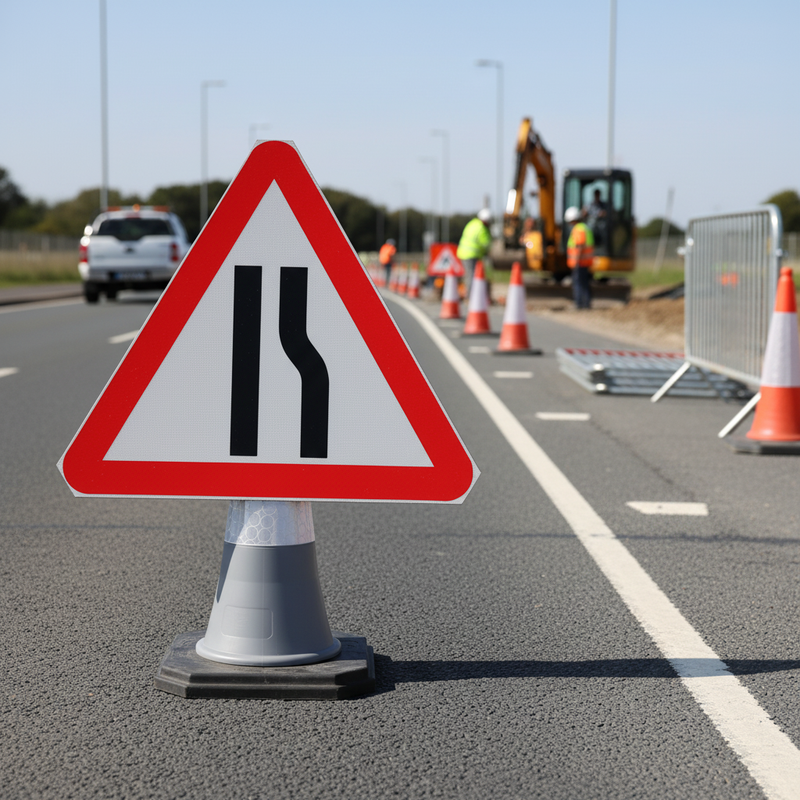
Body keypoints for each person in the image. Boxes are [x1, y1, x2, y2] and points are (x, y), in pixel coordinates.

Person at [564, 206, 594, 309]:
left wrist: (576, 261)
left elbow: (580, 246)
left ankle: (579, 304)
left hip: (580, 262)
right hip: (585, 262)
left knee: (578, 284)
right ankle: (585, 304)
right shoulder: (585, 227)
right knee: (584, 283)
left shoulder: (578, 229)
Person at [457, 208, 493, 292]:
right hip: (471, 255)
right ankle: (470, 296)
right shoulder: (482, 228)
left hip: (464, 253)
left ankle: (472, 294)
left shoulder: (473, 223)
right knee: (472, 276)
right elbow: (486, 244)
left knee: (470, 275)